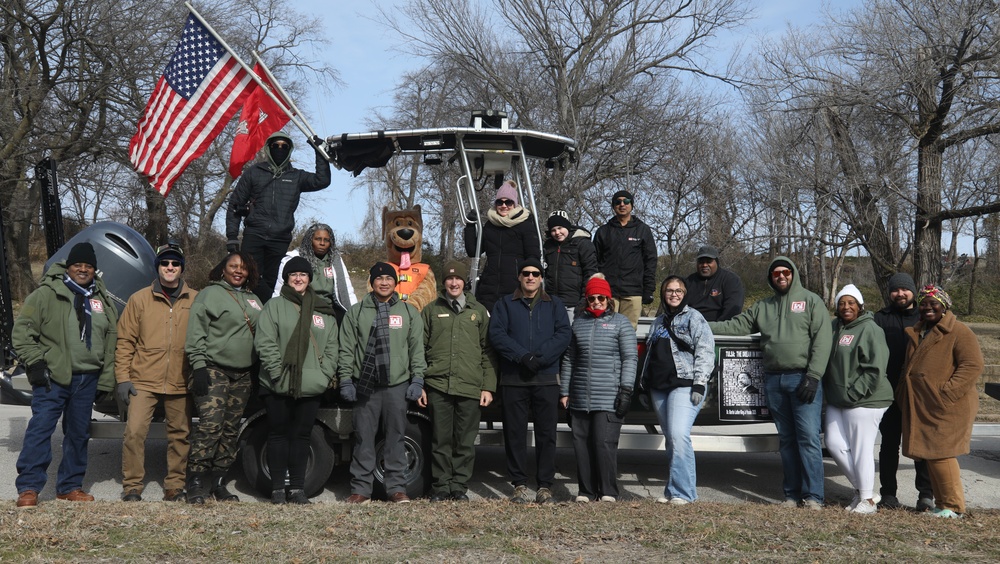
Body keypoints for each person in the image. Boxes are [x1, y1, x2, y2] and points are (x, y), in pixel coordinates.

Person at [709, 257, 832, 509]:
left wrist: (814, 376)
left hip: (803, 379)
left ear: (793, 273)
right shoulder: (763, 306)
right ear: (771, 278)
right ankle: (791, 494)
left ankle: (814, 497)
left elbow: (823, 339)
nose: (781, 276)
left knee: (808, 438)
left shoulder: (811, 301)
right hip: (774, 380)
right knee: (786, 439)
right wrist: (702, 325)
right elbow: (737, 325)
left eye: (785, 272)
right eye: (776, 273)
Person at [12, 242, 118, 509]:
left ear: (95, 270)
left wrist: (105, 380)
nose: (83, 269)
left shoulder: (101, 299)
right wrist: (35, 364)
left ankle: (69, 486)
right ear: (68, 266)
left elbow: (111, 342)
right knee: (41, 430)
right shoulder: (47, 294)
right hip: (53, 376)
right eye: (78, 264)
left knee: (78, 434)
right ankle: (28, 487)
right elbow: (23, 332)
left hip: (87, 378)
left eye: (88, 266)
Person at [338, 262, 427, 504]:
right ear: (372, 282)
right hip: (365, 386)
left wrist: (417, 379)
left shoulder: (408, 313)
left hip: (396, 387)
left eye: (389, 278)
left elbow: (416, 350)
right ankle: (361, 490)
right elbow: (346, 349)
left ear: (395, 282)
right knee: (363, 438)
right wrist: (345, 379)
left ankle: (396, 489)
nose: (384, 282)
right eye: (379, 279)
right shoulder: (356, 312)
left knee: (395, 438)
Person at [116, 243, 198, 503]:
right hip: (143, 379)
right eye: (165, 263)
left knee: (180, 434)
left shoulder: (195, 299)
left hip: (180, 380)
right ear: (158, 267)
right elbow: (125, 341)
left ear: (181, 268)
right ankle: (132, 486)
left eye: (175, 263)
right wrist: (123, 378)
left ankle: (174, 485)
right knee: (135, 432)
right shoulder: (139, 299)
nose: (170, 268)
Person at [256, 257, 339, 505]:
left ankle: (298, 490)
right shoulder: (274, 306)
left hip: (311, 384)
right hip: (277, 383)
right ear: (287, 278)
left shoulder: (323, 310)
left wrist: (324, 375)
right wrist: (277, 373)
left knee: (302, 436)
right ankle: (278, 489)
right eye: (294, 275)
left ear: (310, 279)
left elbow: (332, 346)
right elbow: (265, 341)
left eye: (303, 274)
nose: (299, 278)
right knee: (278, 435)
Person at [489, 257, 572, 504]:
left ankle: (545, 485)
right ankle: (519, 484)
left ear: (541, 277)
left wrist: (541, 357)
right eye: (526, 273)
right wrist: (521, 356)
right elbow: (497, 334)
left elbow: (563, 334)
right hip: (514, 378)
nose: (531, 277)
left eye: (535, 273)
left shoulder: (554, 304)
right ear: (519, 276)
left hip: (546, 379)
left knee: (546, 434)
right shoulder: (505, 304)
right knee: (514, 433)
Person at [897, 285, 984, 519]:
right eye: (923, 303)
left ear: (944, 307)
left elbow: (972, 366)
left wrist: (945, 393)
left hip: (948, 406)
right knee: (931, 454)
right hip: (923, 404)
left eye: (933, 303)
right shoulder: (919, 331)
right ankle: (942, 503)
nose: (927, 308)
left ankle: (954, 506)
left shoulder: (959, 331)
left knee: (941, 453)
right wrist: (902, 392)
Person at [184, 252, 262, 504]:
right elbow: (195, 333)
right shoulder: (209, 295)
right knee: (211, 426)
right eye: (233, 266)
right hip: (213, 370)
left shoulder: (253, 299)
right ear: (223, 269)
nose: (238, 271)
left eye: (243, 267)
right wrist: (198, 367)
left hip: (243, 375)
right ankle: (195, 482)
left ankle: (218, 483)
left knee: (230, 430)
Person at [422, 260, 497, 502]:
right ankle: (441, 486)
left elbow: (488, 351)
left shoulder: (478, 312)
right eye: (449, 279)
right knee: (440, 440)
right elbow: (420, 349)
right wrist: (421, 384)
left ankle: (459, 487)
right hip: (438, 386)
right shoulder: (431, 310)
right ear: (443, 282)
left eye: (458, 279)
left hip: (469, 386)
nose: (454, 283)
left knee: (464, 442)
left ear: (465, 282)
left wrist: (488, 386)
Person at [226, 131, 332, 301]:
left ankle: (268, 315)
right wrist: (232, 236)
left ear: (289, 150)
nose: (280, 149)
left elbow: (322, 180)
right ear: (269, 148)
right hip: (254, 234)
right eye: (276, 146)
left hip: (280, 238)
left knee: (274, 280)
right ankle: (255, 311)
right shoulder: (254, 172)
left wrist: (319, 152)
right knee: (250, 276)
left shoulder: (296, 176)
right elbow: (235, 203)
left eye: (284, 146)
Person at [559, 275, 637, 502]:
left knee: (604, 444)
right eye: (592, 298)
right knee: (581, 444)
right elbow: (569, 359)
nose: (596, 302)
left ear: (608, 299)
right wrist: (565, 391)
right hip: (580, 395)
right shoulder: (579, 323)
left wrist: (626, 390)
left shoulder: (620, 322)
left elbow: (630, 358)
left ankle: (608, 492)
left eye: (601, 297)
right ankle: (585, 491)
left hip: (609, 396)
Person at [638, 276, 714, 505]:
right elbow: (650, 355)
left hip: (685, 385)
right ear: (663, 293)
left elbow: (705, 350)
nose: (674, 294)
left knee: (679, 435)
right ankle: (673, 491)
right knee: (671, 439)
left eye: (678, 290)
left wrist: (700, 382)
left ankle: (685, 493)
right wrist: (643, 385)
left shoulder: (694, 317)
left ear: (685, 293)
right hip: (659, 388)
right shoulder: (658, 321)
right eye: (669, 290)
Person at [823, 284, 892, 515]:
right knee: (834, 444)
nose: (846, 307)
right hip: (837, 399)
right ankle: (865, 490)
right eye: (842, 303)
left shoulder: (870, 329)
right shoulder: (833, 327)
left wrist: (853, 394)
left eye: (851, 303)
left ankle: (867, 500)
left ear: (860, 306)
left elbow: (875, 369)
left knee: (861, 448)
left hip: (866, 399)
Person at [874, 272, 933, 511]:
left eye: (904, 289)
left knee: (920, 445)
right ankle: (888, 494)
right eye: (895, 290)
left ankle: (926, 495)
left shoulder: (926, 317)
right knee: (889, 445)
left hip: (917, 393)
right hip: (888, 391)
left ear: (913, 291)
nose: (900, 294)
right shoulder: (879, 318)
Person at [464, 179, 541, 313]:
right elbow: (473, 250)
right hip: (490, 288)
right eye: (500, 202)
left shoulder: (525, 224)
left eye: (508, 202)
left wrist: (528, 284)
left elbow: (533, 257)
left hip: (515, 288)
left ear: (515, 204)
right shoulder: (490, 224)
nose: (504, 206)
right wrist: (470, 226)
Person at [593, 190, 657, 329]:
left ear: (631, 205)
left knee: (627, 332)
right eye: (618, 202)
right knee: (605, 330)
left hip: (633, 292)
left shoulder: (643, 230)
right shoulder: (603, 231)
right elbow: (594, 263)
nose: (622, 204)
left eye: (626, 201)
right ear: (613, 206)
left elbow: (650, 261)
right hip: (609, 293)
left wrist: (649, 289)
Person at [271, 222, 356, 321]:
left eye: (326, 240)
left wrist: (355, 313)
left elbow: (347, 289)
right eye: (318, 239)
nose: (322, 243)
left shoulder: (335, 260)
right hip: (302, 305)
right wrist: (275, 311)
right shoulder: (294, 258)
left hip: (329, 308)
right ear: (310, 240)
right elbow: (279, 289)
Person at [543, 210, 598, 321]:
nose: (557, 233)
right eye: (553, 230)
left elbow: (590, 272)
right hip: (551, 301)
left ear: (567, 227)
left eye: (560, 228)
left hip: (574, 303)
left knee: (573, 335)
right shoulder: (548, 246)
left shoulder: (582, 244)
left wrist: (584, 299)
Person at [685, 245, 745, 322]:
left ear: (717, 262)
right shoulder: (689, 281)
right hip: (691, 325)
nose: (704, 265)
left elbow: (732, 310)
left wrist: (716, 327)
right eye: (701, 262)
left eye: (708, 261)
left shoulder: (730, 280)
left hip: (720, 327)